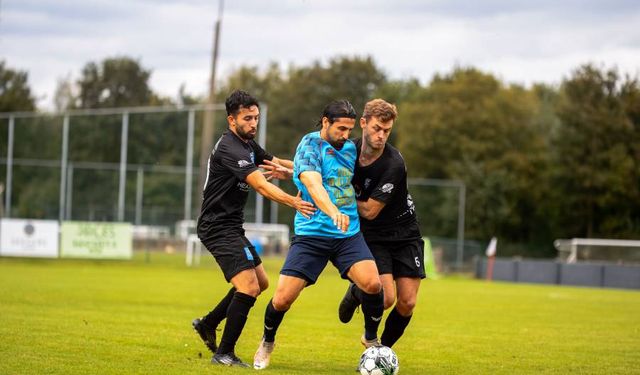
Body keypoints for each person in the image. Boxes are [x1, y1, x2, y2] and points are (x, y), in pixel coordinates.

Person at [252, 100, 385, 370]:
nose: (346, 135)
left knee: (373, 284)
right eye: (341, 128)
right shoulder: (309, 145)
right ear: (325, 122)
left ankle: (370, 340)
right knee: (282, 298)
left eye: (349, 129)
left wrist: (291, 171)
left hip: (347, 234)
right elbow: (313, 182)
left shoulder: (348, 147)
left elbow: (329, 171)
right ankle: (267, 340)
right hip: (312, 234)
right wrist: (332, 209)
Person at [192, 89, 315, 367]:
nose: (253, 123)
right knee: (247, 287)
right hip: (216, 227)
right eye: (247, 118)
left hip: (232, 226)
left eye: (256, 117)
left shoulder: (247, 145)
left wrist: (303, 172)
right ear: (231, 120)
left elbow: (273, 163)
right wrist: (292, 201)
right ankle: (224, 353)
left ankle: (208, 324)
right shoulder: (230, 147)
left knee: (260, 283)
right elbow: (260, 184)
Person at [338, 98, 426, 349]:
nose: (381, 135)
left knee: (407, 302)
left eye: (387, 131)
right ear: (363, 123)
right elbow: (319, 172)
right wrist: (292, 170)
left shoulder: (394, 163)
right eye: (376, 128)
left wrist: (336, 196)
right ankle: (359, 293)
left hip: (405, 232)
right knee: (386, 298)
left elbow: (369, 210)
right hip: (374, 235)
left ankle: (381, 352)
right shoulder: (347, 152)